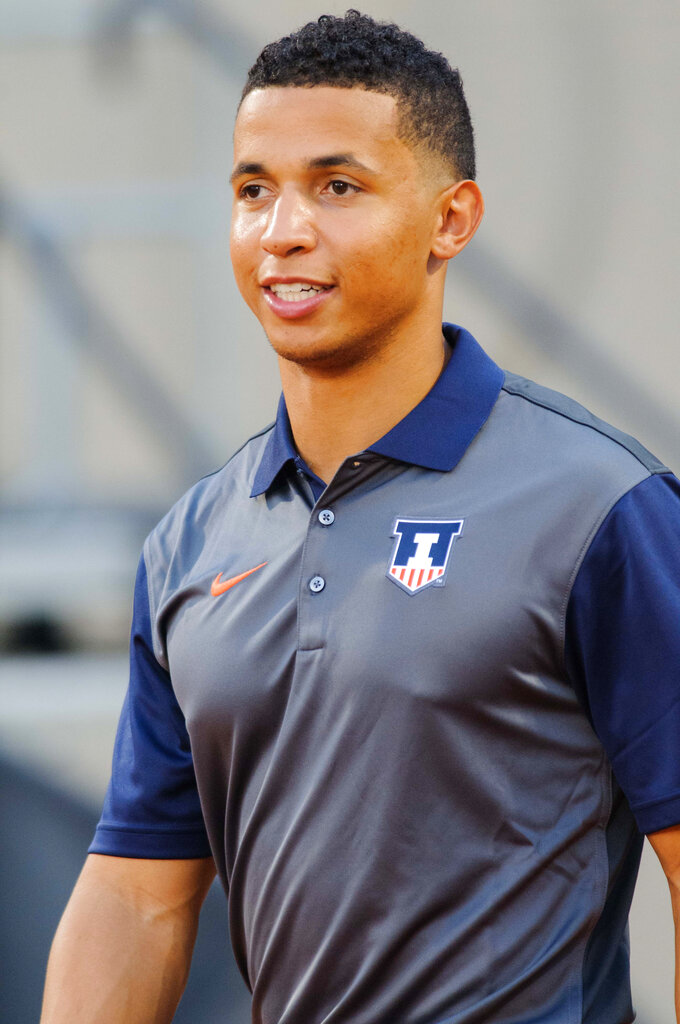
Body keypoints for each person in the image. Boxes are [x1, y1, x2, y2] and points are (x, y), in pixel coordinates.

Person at [41, 10, 680, 1023]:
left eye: (337, 187)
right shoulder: (192, 542)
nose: (282, 228)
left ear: (450, 220)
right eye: (254, 189)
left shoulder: (598, 504)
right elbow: (136, 891)